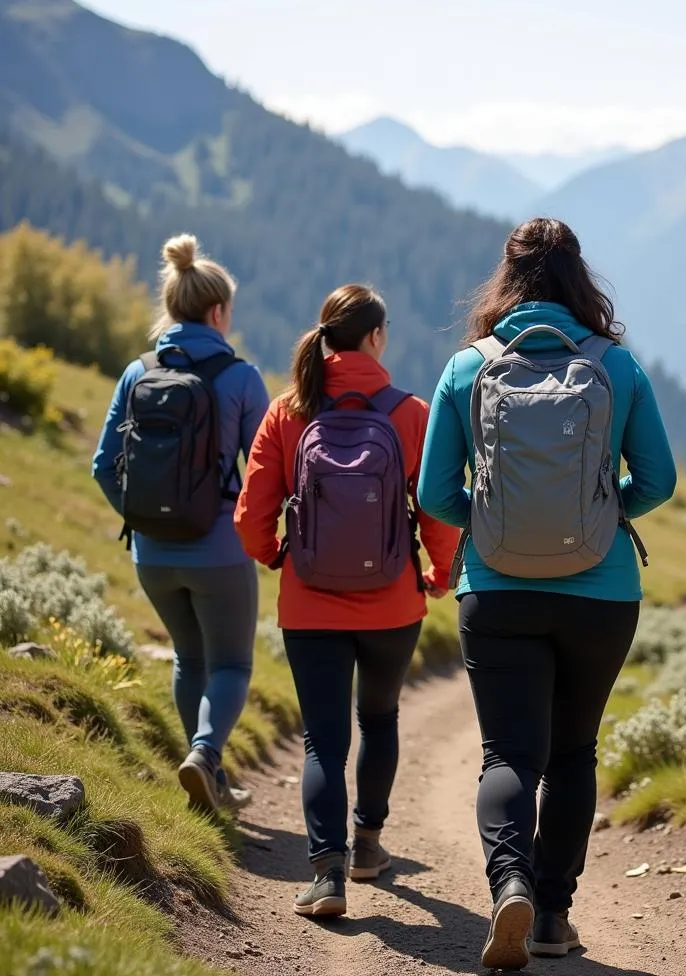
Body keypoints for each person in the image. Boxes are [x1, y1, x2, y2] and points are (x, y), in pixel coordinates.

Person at [417, 218, 677, 971]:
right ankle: (554, 917)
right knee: (572, 753)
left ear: (507, 278)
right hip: (600, 594)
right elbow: (659, 480)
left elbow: (436, 493)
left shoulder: (467, 368)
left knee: (507, 756)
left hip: (496, 591)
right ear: (578, 278)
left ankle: (509, 887)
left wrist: (491, 529)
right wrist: (600, 515)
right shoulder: (616, 367)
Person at [233, 284, 460, 918]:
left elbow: (252, 515)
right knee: (380, 720)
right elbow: (437, 510)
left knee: (322, 742)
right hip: (392, 605)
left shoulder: (288, 412)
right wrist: (439, 574)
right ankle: (367, 845)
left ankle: (327, 876)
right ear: (377, 337)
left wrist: (279, 557)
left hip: (310, 605)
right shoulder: (409, 413)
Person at [93, 234, 270, 812]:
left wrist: (142, 519)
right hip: (219, 548)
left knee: (188, 657)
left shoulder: (137, 371)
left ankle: (209, 777)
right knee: (233, 663)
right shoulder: (241, 377)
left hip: (153, 553)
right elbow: (266, 471)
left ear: (172, 307)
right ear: (218, 311)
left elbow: (102, 466)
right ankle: (205, 756)